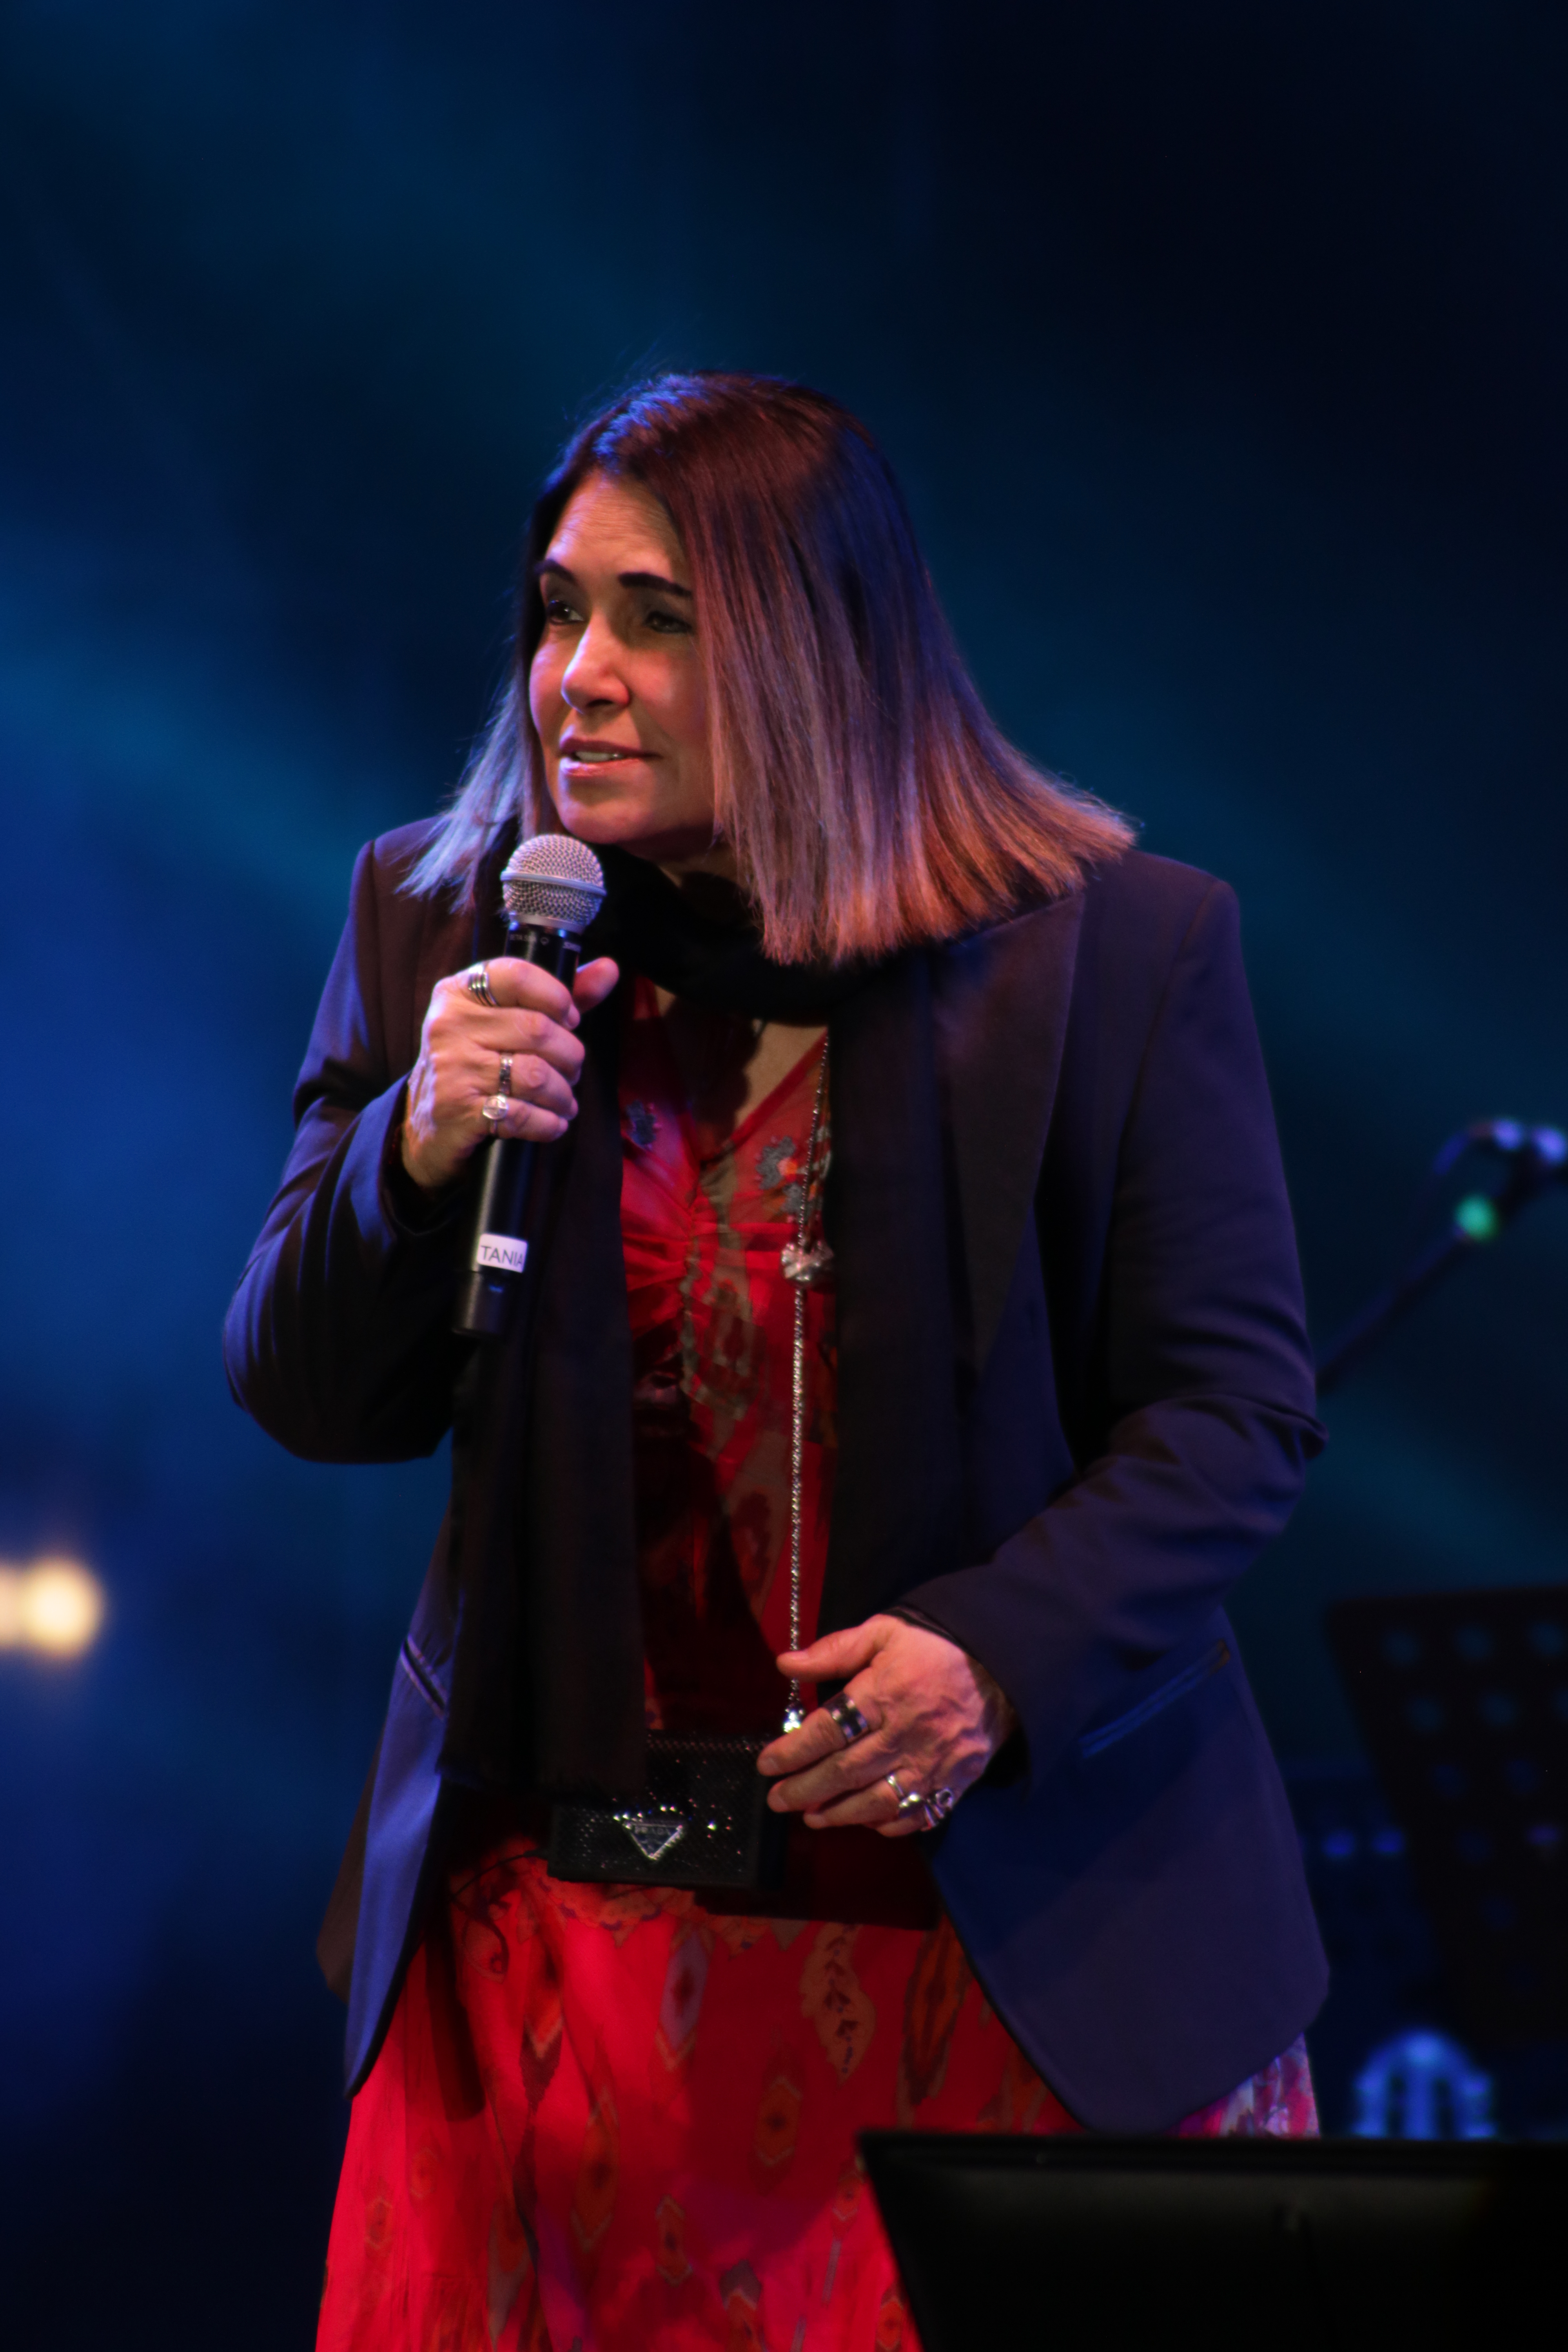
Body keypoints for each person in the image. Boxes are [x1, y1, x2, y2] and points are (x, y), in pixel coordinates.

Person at [225, 372, 1327, 2352]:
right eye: (559, 611)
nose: (578, 676)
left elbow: (1231, 1418)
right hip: (549, 1956)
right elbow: (308, 1391)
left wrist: (994, 1656)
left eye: (657, 619)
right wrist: (414, 1144)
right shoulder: (442, 924)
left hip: (987, 1939)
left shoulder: (1107, 952)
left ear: (822, 651)